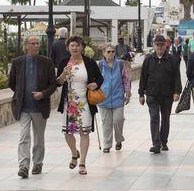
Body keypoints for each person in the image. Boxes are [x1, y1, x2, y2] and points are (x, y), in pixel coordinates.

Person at [8, 35, 57, 178]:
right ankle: (23, 166)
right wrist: (20, 95)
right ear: (26, 45)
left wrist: (43, 94)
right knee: (24, 136)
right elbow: (12, 83)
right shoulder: (17, 62)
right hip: (23, 107)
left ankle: (37, 163)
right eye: (33, 43)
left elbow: (53, 84)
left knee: (38, 138)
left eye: (38, 43)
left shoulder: (46, 62)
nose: (36, 46)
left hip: (40, 107)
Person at [57, 36, 104, 175]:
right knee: (68, 132)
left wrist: (95, 84)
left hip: (85, 102)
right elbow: (58, 82)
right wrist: (63, 74)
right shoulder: (63, 62)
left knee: (84, 132)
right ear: (68, 48)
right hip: (69, 102)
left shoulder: (89, 62)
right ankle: (74, 153)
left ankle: (82, 162)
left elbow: (100, 78)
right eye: (72, 45)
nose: (75, 48)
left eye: (77, 45)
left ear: (82, 47)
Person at [138, 35, 182, 154]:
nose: (159, 47)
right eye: (157, 45)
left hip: (167, 95)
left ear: (165, 45)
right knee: (154, 118)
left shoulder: (172, 59)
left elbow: (177, 77)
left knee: (165, 119)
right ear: (154, 45)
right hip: (152, 94)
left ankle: (163, 141)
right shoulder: (148, 59)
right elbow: (143, 77)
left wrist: (177, 92)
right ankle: (156, 143)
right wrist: (141, 93)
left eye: (161, 45)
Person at [97, 44, 131, 153]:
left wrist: (127, 92)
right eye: (108, 51)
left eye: (112, 51)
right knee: (106, 122)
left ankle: (119, 140)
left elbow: (126, 79)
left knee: (118, 120)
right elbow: (95, 80)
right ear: (103, 53)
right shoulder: (100, 65)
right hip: (103, 98)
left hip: (118, 97)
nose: (111, 53)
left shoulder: (120, 64)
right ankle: (107, 144)